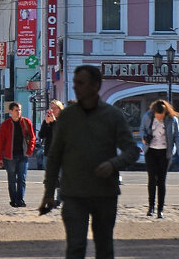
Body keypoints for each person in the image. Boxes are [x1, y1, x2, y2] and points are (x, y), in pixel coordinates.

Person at [40, 65, 139, 259]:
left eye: (81, 83)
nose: (76, 87)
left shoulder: (112, 116)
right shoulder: (68, 117)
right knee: (75, 247)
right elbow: (54, 156)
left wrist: (114, 164)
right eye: (76, 83)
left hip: (105, 193)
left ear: (95, 86)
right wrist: (49, 193)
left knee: (104, 248)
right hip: (74, 193)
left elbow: (132, 150)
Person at [139, 99, 179, 218]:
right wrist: (143, 138)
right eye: (158, 116)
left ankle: (160, 209)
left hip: (165, 152)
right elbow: (142, 129)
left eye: (161, 116)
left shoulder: (172, 119)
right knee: (152, 179)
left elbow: (177, 136)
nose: (159, 118)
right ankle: (151, 207)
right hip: (151, 151)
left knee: (162, 181)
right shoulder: (147, 116)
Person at [0, 101, 35, 207]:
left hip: (23, 155)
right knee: (12, 179)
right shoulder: (5, 125)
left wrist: (30, 150)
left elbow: (32, 137)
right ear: (11, 111)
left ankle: (20, 199)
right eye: (16, 110)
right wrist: (0, 158)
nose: (18, 112)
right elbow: (1, 142)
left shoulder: (26, 122)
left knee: (22, 178)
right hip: (10, 156)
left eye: (20, 110)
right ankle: (13, 200)